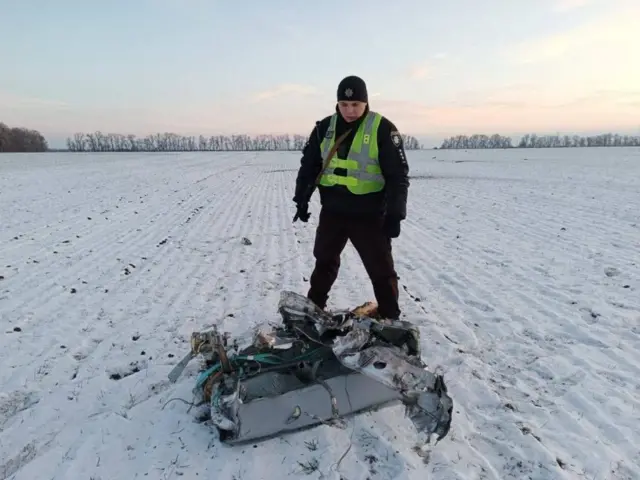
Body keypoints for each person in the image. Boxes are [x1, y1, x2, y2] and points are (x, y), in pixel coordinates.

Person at [292, 75, 409, 320]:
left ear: (366, 103)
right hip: (333, 211)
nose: (350, 110)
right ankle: (314, 310)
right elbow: (309, 166)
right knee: (324, 262)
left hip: (369, 214)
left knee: (381, 270)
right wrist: (301, 199)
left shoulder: (383, 129)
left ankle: (390, 317)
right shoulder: (324, 128)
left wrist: (395, 214)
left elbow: (398, 176)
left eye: (355, 104)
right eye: (344, 105)